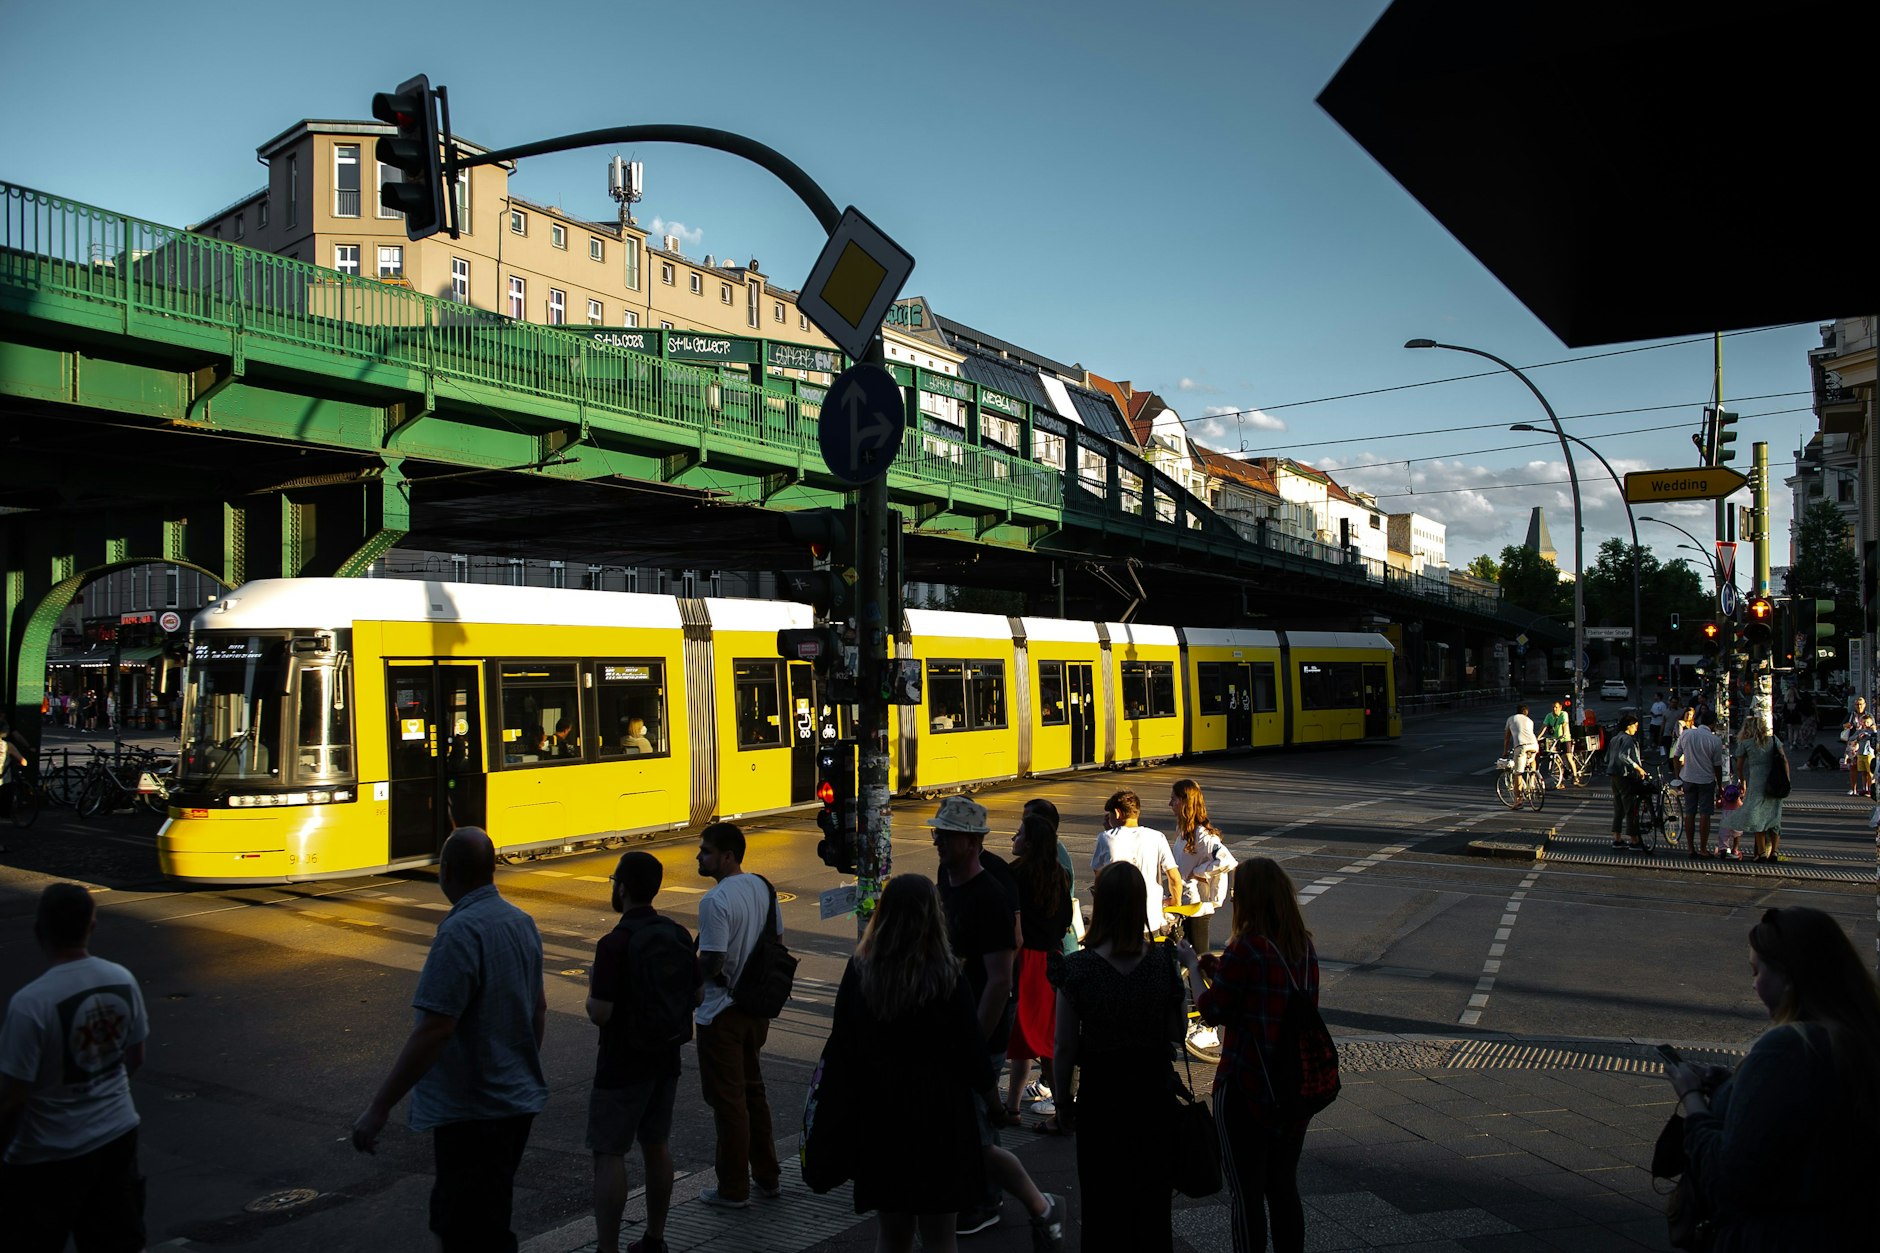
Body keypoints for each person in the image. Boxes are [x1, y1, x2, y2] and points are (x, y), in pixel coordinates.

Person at [352, 827, 548, 1252]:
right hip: (515, 1103)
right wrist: (520, 1067)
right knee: (493, 1219)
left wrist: (379, 1107)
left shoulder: (460, 933)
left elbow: (435, 1028)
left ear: (446, 873)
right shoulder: (521, 922)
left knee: (463, 1228)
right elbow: (538, 1010)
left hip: (472, 1111)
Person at [1664, 907, 1880, 1248]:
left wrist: (1691, 1097)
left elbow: (1729, 1179)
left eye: (1757, 971)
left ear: (1790, 977)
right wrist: (1728, 1085)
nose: (1753, 985)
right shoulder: (1859, 1038)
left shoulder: (1789, 1048)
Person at [825, 874, 1007, 1253]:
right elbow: (972, 1051)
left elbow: (842, 1047)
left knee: (891, 1235)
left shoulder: (860, 972)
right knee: (941, 1237)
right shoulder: (948, 976)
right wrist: (994, 1104)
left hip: (881, 1120)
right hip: (940, 1122)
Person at [928, 795, 1060, 1244]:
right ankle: (1014, 1201)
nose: (938, 841)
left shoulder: (991, 895)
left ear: (974, 842)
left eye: (947, 835)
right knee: (971, 1119)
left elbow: (1000, 981)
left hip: (981, 1025)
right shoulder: (945, 880)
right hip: (953, 1023)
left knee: (975, 1124)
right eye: (937, 833)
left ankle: (1007, 1203)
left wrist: (972, 1046)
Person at [1176, 858, 1320, 1253]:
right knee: (1283, 1187)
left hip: (1246, 1083)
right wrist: (1219, 968)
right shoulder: (1303, 946)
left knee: (1246, 1192)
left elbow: (1213, 1010)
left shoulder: (1247, 948)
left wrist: (1192, 963)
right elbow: (1270, 990)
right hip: (1293, 1084)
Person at [0, 882, 151, 1253]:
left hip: (51, 1153)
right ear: (92, 926)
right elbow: (136, 1057)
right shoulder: (121, 979)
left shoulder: (31, 1003)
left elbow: (14, 1097)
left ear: (40, 932)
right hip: (117, 1134)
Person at [1051, 862, 1184, 1253]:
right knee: (1152, 1208)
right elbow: (1177, 1032)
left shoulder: (1078, 968)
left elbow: (1063, 1047)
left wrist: (1063, 1102)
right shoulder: (1162, 962)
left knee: (1102, 1206)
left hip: (1102, 1098)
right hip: (1152, 1098)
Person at [586, 851, 702, 1253]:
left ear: (623, 888)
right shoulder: (678, 934)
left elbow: (600, 1013)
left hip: (622, 1062)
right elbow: (698, 994)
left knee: (610, 1153)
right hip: (666, 1058)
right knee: (657, 1147)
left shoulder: (614, 943)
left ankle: (607, 1248)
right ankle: (655, 1238)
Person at [690, 821, 784, 1209]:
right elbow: (777, 941)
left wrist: (685, 977)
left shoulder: (715, 901)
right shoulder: (763, 886)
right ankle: (768, 1176)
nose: (699, 856)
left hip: (721, 1013)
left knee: (729, 1103)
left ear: (727, 857)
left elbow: (712, 959)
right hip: (754, 1009)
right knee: (753, 1091)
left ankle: (733, 1188)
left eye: (706, 851)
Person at [1001, 811, 1071, 1132]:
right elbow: (1066, 920)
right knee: (1048, 1040)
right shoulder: (1060, 875)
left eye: (1018, 834)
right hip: (1052, 962)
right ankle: (1057, 1110)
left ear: (1030, 844)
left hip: (1023, 962)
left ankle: (1016, 1108)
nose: (1013, 839)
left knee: (1022, 1039)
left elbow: (1008, 926)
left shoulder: (1013, 875)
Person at [1090, 790, 1180, 935]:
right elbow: (1174, 877)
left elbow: (1100, 877)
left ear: (1118, 813)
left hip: (1119, 921)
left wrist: (1110, 831)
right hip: (1151, 919)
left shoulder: (1105, 838)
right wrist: (1175, 901)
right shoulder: (1157, 837)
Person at [1168, 778, 1234, 954]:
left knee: (1199, 959)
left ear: (1184, 801)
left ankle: (1207, 982)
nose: (1170, 804)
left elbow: (1227, 860)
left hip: (1198, 906)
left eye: (1174, 799)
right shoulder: (1184, 832)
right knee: (1187, 957)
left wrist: (1198, 872)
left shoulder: (1203, 836)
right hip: (1186, 901)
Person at [1726, 715, 1786, 865]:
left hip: (1757, 784)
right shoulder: (1773, 740)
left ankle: (1760, 853)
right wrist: (1787, 780)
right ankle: (1775, 852)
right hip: (1775, 783)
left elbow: (1739, 767)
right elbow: (1784, 759)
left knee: (1757, 818)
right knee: (1774, 817)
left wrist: (1743, 781)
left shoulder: (1746, 744)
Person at [1671, 711, 1727, 857]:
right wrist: (1720, 786)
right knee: (1705, 815)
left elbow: (1676, 757)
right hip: (1706, 780)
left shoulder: (1686, 734)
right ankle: (1703, 848)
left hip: (1687, 778)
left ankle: (1690, 848)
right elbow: (1717, 766)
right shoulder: (1715, 740)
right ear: (1713, 723)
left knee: (1689, 814)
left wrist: (1678, 777)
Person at [1606, 710, 1648, 851]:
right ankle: (1634, 840)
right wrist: (1637, 768)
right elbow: (1623, 756)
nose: (1636, 728)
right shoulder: (1628, 739)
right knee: (1630, 808)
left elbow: (1607, 758)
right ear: (1629, 726)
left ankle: (1617, 838)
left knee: (1618, 807)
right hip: (1624, 776)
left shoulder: (1615, 738)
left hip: (1613, 774)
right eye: (1635, 725)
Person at [1502, 702, 1539, 805]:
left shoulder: (1511, 719)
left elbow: (1507, 738)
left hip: (1521, 746)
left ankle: (1518, 799)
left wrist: (1505, 751)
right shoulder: (1530, 721)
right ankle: (1532, 781)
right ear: (1526, 712)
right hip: (1534, 745)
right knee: (1532, 760)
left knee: (1518, 773)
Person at [1537, 700, 1578, 785]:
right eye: (1553, 707)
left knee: (1568, 757)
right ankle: (1560, 781)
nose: (1554, 709)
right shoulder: (1549, 716)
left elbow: (1565, 724)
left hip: (1565, 739)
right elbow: (1544, 727)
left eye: (1556, 707)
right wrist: (1538, 737)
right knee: (1557, 761)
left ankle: (1575, 776)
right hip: (1555, 740)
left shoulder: (1564, 714)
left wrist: (1563, 733)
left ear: (1560, 708)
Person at [1841, 696, 1868, 795]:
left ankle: (1866, 788)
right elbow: (1843, 725)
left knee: (1865, 767)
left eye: (1861, 704)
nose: (1859, 706)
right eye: (1857, 704)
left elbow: (1872, 726)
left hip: (1864, 744)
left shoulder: (1868, 715)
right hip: (1853, 743)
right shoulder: (1852, 715)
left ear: (1865, 705)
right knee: (1853, 766)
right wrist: (1847, 726)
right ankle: (1854, 789)